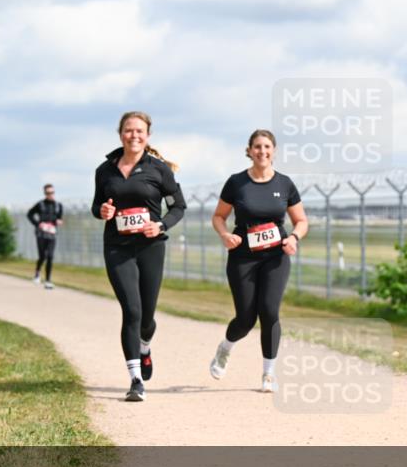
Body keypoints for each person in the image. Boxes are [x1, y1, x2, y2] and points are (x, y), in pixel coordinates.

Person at [92, 111, 186, 402]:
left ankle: (145, 346)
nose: (134, 135)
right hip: (117, 247)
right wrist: (103, 211)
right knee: (131, 311)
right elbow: (97, 206)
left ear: (148, 135)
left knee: (146, 318)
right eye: (129, 130)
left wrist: (161, 225)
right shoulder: (104, 170)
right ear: (120, 133)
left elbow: (178, 207)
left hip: (150, 248)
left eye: (139, 131)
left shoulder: (159, 170)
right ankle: (135, 380)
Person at [209, 130, 308, 394]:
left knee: (270, 311)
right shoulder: (237, 182)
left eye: (266, 147)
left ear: (273, 150)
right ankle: (225, 348)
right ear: (249, 150)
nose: (262, 151)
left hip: (275, 256)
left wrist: (294, 238)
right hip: (243, 256)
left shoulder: (285, 184)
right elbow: (218, 216)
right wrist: (225, 235)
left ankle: (268, 374)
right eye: (257, 147)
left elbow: (301, 220)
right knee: (245, 318)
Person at [27, 183, 64, 289]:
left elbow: (59, 219)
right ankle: (37, 273)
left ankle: (48, 280)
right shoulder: (40, 204)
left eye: (52, 192)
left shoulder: (58, 206)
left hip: (52, 233)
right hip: (41, 233)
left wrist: (58, 222)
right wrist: (37, 223)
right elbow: (29, 214)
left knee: (50, 256)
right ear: (45, 193)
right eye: (48, 193)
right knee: (42, 256)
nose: (50, 194)